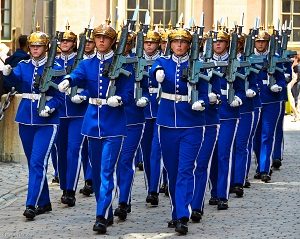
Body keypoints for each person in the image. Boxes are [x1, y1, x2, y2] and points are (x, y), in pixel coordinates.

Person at [58, 21, 133, 234]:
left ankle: (100, 215)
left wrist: (119, 99)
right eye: (97, 38)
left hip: (113, 124)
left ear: (112, 42)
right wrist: (67, 80)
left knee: (107, 170)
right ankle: (106, 211)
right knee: (98, 172)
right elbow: (77, 75)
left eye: (105, 38)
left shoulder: (123, 64)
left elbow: (129, 93)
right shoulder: (87, 63)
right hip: (92, 123)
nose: (100, 41)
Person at [2, 26, 63, 219]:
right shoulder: (25, 65)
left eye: (39, 46)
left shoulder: (55, 68)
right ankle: (44, 202)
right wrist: (7, 72)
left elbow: (61, 97)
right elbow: (15, 81)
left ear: (45, 48)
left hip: (47, 121)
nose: (35, 49)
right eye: (32, 46)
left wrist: (51, 107)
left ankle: (31, 204)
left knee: (38, 162)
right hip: (26, 119)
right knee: (33, 163)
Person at [150, 22, 206, 235]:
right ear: (170, 44)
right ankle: (176, 211)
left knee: (185, 169)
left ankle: (183, 215)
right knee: (172, 170)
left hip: (191, 123)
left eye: (183, 42)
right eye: (176, 42)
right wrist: (157, 75)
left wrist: (204, 101)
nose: (179, 45)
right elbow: (154, 70)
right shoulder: (162, 62)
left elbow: (208, 88)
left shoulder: (197, 64)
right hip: (167, 123)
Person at [208, 27, 244, 210]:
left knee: (223, 154)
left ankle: (223, 194)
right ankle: (214, 191)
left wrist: (238, 98)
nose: (218, 44)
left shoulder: (233, 62)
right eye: (215, 41)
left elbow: (241, 87)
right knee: (212, 155)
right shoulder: (204, 62)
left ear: (227, 44)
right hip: (210, 114)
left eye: (221, 41)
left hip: (229, 114)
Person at [55, 23, 90, 207]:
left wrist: (82, 95)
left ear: (74, 43)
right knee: (60, 152)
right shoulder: (54, 61)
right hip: (59, 112)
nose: (64, 43)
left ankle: (70, 190)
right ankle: (63, 185)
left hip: (78, 113)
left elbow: (92, 85)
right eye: (62, 40)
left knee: (73, 150)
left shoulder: (82, 61)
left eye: (68, 40)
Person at [115, 31, 146, 221]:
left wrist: (144, 98)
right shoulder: (108, 62)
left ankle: (123, 200)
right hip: (111, 119)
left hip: (133, 118)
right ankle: (108, 200)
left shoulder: (137, 62)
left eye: (126, 43)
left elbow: (149, 86)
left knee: (126, 160)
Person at [253, 27, 286, 182]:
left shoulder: (275, 56)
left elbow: (282, 77)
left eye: (263, 42)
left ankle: (265, 169)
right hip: (254, 100)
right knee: (255, 136)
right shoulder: (249, 57)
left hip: (271, 100)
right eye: (258, 41)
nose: (260, 44)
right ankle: (260, 164)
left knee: (267, 135)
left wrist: (278, 85)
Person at [140, 27, 163, 207]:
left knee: (157, 151)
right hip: (143, 111)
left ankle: (156, 188)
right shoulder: (137, 61)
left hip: (161, 108)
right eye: (146, 42)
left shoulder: (163, 61)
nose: (149, 45)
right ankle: (151, 187)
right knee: (146, 152)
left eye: (152, 42)